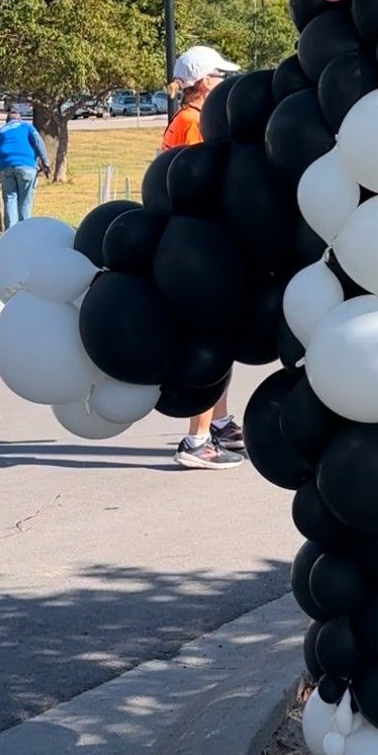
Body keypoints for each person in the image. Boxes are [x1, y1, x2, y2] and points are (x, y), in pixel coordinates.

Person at [161, 46, 247, 471]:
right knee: (209, 344)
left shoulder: (182, 121)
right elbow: (204, 180)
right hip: (201, 249)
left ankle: (222, 424)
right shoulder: (196, 124)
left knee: (221, 340)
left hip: (193, 244)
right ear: (205, 83)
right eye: (221, 76)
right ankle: (195, 440)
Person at [0, 109, 51, 228]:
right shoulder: (27, 127)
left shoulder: (0, 132)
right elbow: (38, 142)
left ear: (7, 121)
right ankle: (24, 231)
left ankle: (10, 233)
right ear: (19, 119)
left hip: (6, 167)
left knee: (10, 199)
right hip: (27, 166)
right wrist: (45, 163)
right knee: (25, 202)